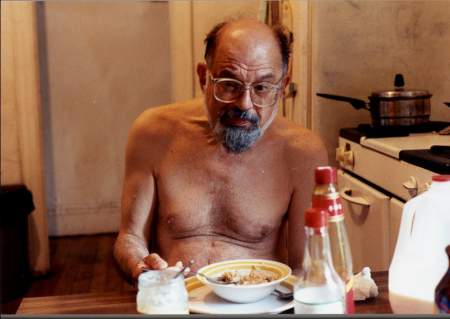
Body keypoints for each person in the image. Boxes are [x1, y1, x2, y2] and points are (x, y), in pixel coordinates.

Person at [114, 18, 327, 281]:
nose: (245, 104)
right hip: (174, 300)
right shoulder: (153, 132)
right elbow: (130, 238)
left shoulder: (302, 151)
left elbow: (306, 266)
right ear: (204, 77)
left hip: (258, 306)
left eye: (261, 88)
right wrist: (141, 267)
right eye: (229, 84)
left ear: (282, 87)